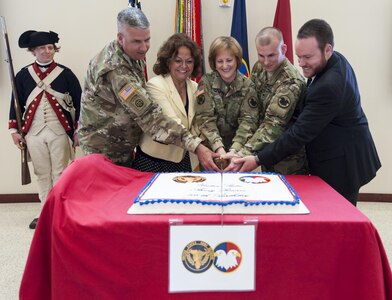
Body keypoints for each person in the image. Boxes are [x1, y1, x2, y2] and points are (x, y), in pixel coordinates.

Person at [229, 19, 381, 206]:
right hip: (337, 150)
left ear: (327, 49)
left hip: (342, 163)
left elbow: (299, 133)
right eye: (299, 56)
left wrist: (257, 159)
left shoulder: (329, 86)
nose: (300, 63)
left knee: (337, 219)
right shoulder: (333, 60)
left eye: (307, 57)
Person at [77, 7, 219, 171]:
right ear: (120, 38)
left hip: (122, 148)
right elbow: (150, 118)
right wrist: (197, 147)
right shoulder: (116, 70)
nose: (144, 47)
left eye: (147, 40)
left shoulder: (132, 55)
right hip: (103, 154)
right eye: (137, 41)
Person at [8, 30, 81, 229]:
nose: (47, 51)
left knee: (60, 172)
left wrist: (77, 130)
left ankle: (58, 211)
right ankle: (44, 212)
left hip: (59, 130)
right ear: (33, 51)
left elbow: (80, 102)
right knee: (42, 173)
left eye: (50, 47)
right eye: (42, 48)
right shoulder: (23, 75)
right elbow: (16, 103)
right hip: (33, 132)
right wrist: (14, 130)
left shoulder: (65, 74)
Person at [235, 27, 307, 174]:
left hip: (287, 161)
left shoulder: (291, 81)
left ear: (284, 49)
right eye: (261, 55)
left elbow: (272, 124)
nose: (266, 62)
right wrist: (238, 147)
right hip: (265, 154)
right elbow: (252, 111)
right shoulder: (258, 68)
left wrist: (241, 154)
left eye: (271, 55)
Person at [132, 33, 201, 172]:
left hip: (182, 159)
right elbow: (172, 124)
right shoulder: (155, 85)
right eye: (178, 60)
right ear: (168, 61)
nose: (184, 66)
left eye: (189, 61)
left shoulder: (195, 87)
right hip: (153, 162)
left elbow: (199, 123)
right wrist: (200, 149)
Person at [194, 36, 259, 160]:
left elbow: (248, 121)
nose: (225, 66)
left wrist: (235, 149)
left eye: (229, 60)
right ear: (213, 63)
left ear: (237, 60)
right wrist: (219, 149)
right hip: (212, 152)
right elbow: (205, 118)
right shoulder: (206, 82)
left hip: (239, 153)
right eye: (220, 61)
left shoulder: (248, 85)